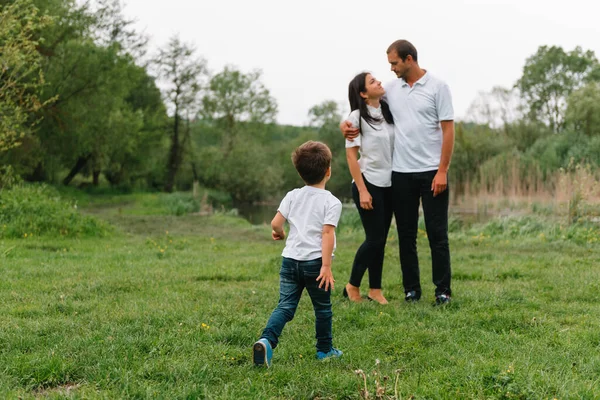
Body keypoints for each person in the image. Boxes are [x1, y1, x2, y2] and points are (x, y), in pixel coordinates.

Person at [342, 40, 455, 305]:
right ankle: (411, 290)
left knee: (438, 234)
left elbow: (448, 130)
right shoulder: (390, 90)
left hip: (432, 173)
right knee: (406, 236)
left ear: (408, 59)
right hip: (400, 175)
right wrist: (344, 126)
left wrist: (442, 171)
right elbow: (360, 110)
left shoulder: (439, 87)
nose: (391, 69)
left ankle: (443, 291)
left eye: (394, 63)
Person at [253, 141, 343, 367]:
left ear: (300, 173)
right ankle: (324, 351)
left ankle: (266, 340)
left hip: (290, 261)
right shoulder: (331, 202)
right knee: (322, 309)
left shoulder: (292, 196)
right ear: (328, 171)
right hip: (315, 264)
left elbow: (275, 223)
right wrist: (326, 266)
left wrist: (279, 233)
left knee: (285, 306)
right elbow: (327, 233)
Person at [342, 72, 395, 305]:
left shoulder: (386, 109)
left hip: (389, 183)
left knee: (380, 239)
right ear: (363, 93)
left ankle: (375, 289)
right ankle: (352, 285)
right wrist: (363, 190)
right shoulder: (355, 118)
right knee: (374, 238)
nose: (379, 82)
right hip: (368, 182)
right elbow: (352, 158)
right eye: (373, 82)